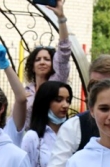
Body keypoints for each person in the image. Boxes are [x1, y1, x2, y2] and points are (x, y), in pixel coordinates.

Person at [23, 0, 71, 129]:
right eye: (38, 59)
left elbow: (64, 51)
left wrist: (61, 18)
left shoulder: (56, 82)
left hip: (52, 138)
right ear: (32, 66)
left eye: (47, 59)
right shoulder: (27, 91)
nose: (42, 62)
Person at [21, 80, 72, 167]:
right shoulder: (32, 137)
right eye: (58, 100)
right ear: (45, 102)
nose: (65, 105)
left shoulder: (72, 134)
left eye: (68, 100)